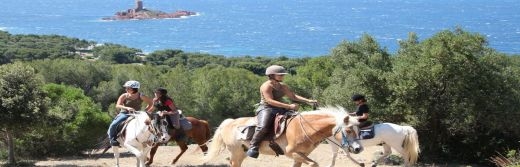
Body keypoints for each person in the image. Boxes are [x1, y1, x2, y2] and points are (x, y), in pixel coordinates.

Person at [246, 65, 318, 158]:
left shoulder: (282, 86)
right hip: (267, 108)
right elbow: (269, 101)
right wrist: (289, 106)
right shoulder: (266, 86)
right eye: (280, 75)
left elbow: (293, 96)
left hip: (280, 108)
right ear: (271, 75)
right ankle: (253, 146)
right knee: (263, 126)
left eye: (283, 75)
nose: (282, 76)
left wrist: (308, 101)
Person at [107, 80, 154, 146]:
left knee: (150, 123)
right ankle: (112, 139)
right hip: (125, 113)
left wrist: (145, 110)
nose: (126, 89)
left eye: (128, 88)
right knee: (114, 124)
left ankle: (152, 138)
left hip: (137, 114)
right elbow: (117, 105)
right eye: (126, 88)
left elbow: (151, 103)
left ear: (134, 89)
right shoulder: (124, 95)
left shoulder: (141, 96)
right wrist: (127, 108)